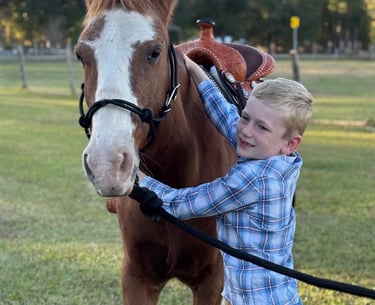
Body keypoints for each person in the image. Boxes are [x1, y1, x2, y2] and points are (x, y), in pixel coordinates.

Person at [131, 56, 313, 305]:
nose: (246, 130)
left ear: (289, 143)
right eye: (246, 117)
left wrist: (136, 176)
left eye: (262, 127)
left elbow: (182, 204)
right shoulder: (277, 157)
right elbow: (227, 116)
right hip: (249, 296)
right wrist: (195, 71)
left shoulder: (254, 180)